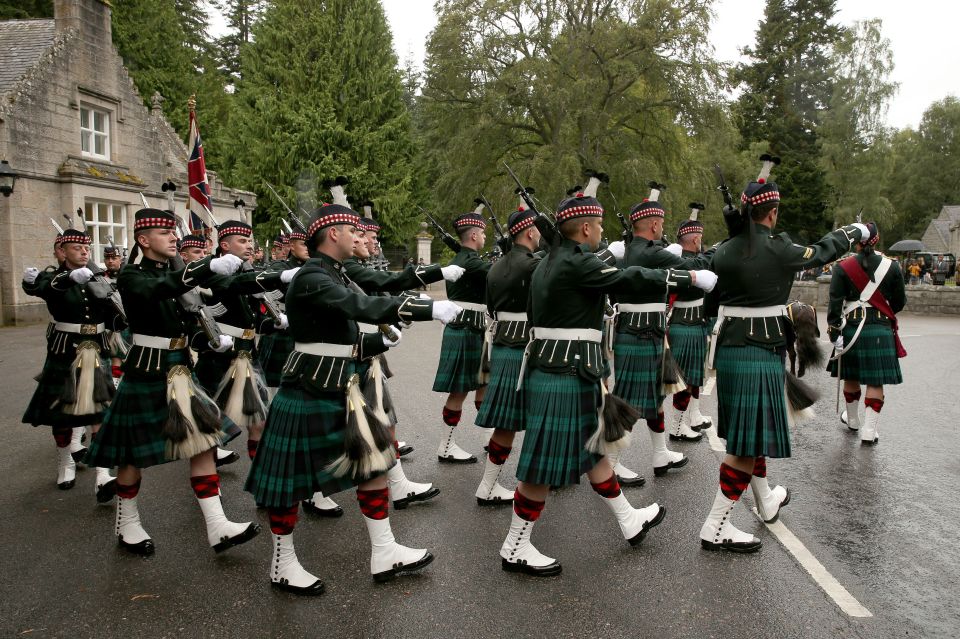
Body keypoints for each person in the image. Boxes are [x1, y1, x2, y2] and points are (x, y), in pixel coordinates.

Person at [244, 202, 463, 594]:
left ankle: (384, 550)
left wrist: (380, 339)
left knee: (374, 466)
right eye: (352, 230)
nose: (359, 236)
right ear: (332, 235)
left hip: (339, 386)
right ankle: (283, 562)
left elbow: (339, 334)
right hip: (308, 389)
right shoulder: (313, 276)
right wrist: (428, 307)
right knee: (287, 485)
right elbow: (359, 305)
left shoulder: (334, 272)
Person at [499, 190, 715, 576]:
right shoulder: (576, 262)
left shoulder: (550, 261)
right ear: (585, 228)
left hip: (565, 369)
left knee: (594, 452)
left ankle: (628, 519)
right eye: (597, 225)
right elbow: (630, 277)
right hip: (564, 373)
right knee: (540, 469)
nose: (601, 231)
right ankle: (515, 545)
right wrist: (690, 275)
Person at [698, 163, 868, 553]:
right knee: (742, 449)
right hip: (760, 352)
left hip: (730, 351)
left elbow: (711, 306)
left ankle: (766, 500)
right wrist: (855, 231)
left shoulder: (721, 253)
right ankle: (715, 525)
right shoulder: (777, 248)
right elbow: (824, 249)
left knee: (748, 436)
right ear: (772, 212)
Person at [86, 208, 258, 556]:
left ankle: (217, 525)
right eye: (165, 233)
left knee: (204, 442)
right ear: (143, 240)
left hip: (180, 367)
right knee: (132, 454)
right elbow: (162, 289)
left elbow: (197, 309)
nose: (174, 238)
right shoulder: (133, 276)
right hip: (146, 370)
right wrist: (202, 267)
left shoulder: (177, 273)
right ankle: (127, 521)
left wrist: (204, 336)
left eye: (173, 232)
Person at [342, 208, 465, 509]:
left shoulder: (349, 267)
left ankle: (397, 485)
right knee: (367, 426)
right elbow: (386, 284)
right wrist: (426, 298)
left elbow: (382, 291)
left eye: (367, 236)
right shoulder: (346, 269)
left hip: (366, 348)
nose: (369, 242)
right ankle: (318, 492)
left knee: (381, 421)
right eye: (362, 235)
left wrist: (400, 314)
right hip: (351, 354)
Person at [611, 185, 714, 483]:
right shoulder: (653, 254)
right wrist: (715, 253)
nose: (664, 228)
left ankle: (659, 453)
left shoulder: (629, 250)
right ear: (654, 225)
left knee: (655, 396)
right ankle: (613, 462)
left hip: (645, 331)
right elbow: (693, 269)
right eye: (662, 223)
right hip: (641, 332)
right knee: (629, 400)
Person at [22, 228, 123, 502]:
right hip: (65, 351)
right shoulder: (53, 278)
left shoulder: (98, 277)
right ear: (62, 251)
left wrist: (118, 315)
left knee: (99, 411)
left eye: (86, 247)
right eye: (76, 247)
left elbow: (111, 312)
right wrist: (68, 277)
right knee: (63, 414)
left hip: (96, 348)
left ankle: (103, 474)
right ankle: (65, 461)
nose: (83, 251)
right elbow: (40, 288)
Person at [185, 220, 290, 465]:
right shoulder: (211, 272)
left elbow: (252, 319)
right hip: (218, 356)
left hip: (247, 352)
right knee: (209, 423)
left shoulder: (246, 272)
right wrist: (276, 277)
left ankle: (260, 474)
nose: (249, 246)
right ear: (224, 245)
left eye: (249, 241)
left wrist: (271, 322)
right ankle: (209, 479)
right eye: (242, 241)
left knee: (260, 421)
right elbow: (232, 286)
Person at [474, 206, 543, 505]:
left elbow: (490, 308)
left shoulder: (495, 267)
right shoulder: (532, 265)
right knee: (545, 417)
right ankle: (540, 479)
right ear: (529, 232)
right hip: (527, 347)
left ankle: (487, 485)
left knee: (507, 422)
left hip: (502, 343)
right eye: (539, 230)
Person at [827, 222, 906, 445]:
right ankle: (869, 432)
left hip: (851, 327)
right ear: (877, 240)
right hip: (880, 328)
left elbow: (834, 303)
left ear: (856, 243)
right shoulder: (892, 267)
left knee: (851, 376)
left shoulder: (842, 267)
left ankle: (852, 420)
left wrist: (834, 331)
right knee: (875, 381)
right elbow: (899, 303)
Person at [432, 205, 492, 463]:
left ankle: (490, 438)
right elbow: (500, 277)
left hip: (474, 329)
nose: (486, 237)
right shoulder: (471, 262)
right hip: (467, 329)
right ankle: (445, 446)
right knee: (460, 391)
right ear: (475, 235)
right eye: (483, 233)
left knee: (483, 386)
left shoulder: (464, 259)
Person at [668, 207, 714, 441]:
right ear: (695, 239)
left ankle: (689, 418)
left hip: (693, 325)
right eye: (700, 239)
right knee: (685, 380)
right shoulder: (687, 263)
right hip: (686, 326)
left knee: (692, 377)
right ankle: (676, 428)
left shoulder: (681, 260)